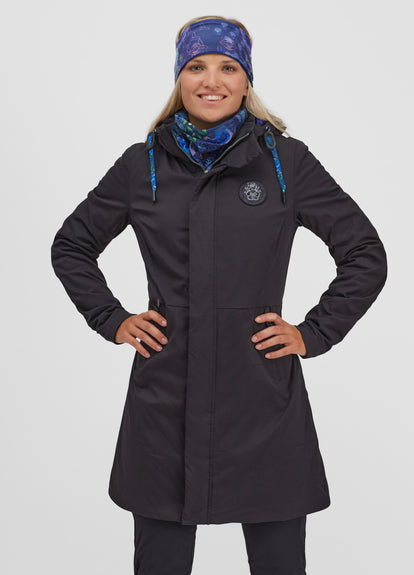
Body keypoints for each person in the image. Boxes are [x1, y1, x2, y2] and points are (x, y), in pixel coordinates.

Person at [50, 14, 388, 575]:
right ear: (178, 78)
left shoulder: (286, 163)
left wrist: (313, 333)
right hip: (167, 397)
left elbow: (364, 253)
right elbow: (72, 246)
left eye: (228, 67)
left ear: (247, 80)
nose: (212, 81)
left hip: (261, 396)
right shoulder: (141, 165)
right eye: (196, 67)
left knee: (279, 564)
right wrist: (112, 318)